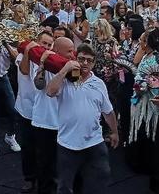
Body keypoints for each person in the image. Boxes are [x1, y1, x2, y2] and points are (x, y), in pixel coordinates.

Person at [46, 43, 120, 194]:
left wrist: (115, 132)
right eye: (81, 59)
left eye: (89, 60)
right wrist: (66, 69)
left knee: (100, 180)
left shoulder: (98, 84)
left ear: (93, 63)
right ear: (75, 58)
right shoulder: (66, 79)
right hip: (67, 143)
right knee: (65, 185)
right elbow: (50, 92)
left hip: (94, 142)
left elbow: (108, 111)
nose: (85, 63)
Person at [31, 36, 74, 194]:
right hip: (45, 122)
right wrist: (42, 64)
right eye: (69, 51)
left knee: (64, 165)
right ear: (57, 51)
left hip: (64, 123)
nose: (72, 54)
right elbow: (39, 84)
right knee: (45, 166)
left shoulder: (72, 65)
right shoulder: (45, 61)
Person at [16, 31, 54, 192]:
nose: (45, 47)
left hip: (44, 113)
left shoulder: (51, 60)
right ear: (37, 42)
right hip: (26, 109)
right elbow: (24, 70)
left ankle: (46, 180)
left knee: (44, 150)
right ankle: (29, 178)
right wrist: (27, 52)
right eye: (43, 43)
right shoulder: (23, 56)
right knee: (27, 147)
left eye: (49, 44)